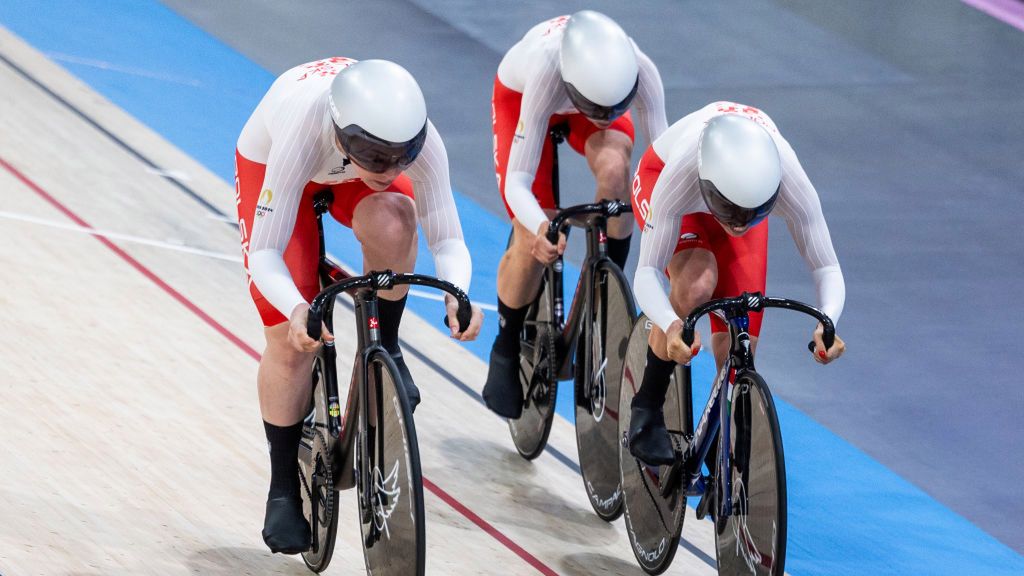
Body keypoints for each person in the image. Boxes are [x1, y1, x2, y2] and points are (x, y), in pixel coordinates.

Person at [235, 57, 484, 554]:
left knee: (396, 214)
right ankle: (283, 485)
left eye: (402, 157)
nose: (390, 169)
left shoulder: (418, 141)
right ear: (344, 135)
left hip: (342, 170)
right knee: (291, 342)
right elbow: (265, 252)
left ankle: (385, 348)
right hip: (281, 171)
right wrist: (296, 306)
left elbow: (448, 236)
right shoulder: (304, 129)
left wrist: (457, 292)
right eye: (376, 157)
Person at [628, 102, 847, 466]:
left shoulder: (785, 178)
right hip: (669, 184)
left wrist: (827, 321)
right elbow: (646, 272)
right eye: (733, 213)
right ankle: (647, 406)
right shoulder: (679, 173)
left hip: (731, 193)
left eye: (754, 214)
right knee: (697, 284)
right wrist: (670, 325)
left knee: (740, 338)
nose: (741, 224)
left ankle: (723, 448)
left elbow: (827, 266)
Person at [483, 10, 668, 418]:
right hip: (528, 99)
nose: (604, 118)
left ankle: (604, 292)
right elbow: (518, 180)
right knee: (534, 227)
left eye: (612, 109)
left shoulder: (640, 71)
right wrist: (539, 225)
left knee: (618, 171)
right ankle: (506, 344)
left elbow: (663, 166)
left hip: (590, 91)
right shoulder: (545, 70)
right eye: (599, 110)